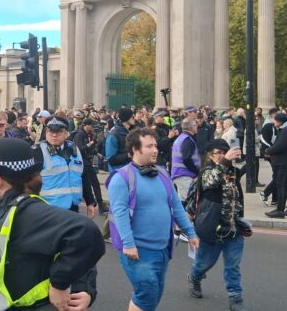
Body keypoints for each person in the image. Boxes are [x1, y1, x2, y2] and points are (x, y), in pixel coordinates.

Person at [0, 138, 105, 311]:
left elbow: (86, 234)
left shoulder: (27, 212)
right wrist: (83, 288)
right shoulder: (20, 208)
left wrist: (60, 284)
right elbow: (67, 248)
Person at [107, 128, 198, 311]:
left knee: (153, 296)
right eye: (149, 146)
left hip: (162, 248)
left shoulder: (162, 173)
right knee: (147, 295)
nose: (155, 150)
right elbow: (120, 214)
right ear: (135, 149)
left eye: (155, 145)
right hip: (138, 250)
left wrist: (190, 232)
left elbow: (176, 207)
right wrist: (128, 244)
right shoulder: (121, 178)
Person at [187, 139, 249, 311]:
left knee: (233, 266)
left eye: (224, 152)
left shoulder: (232, 172)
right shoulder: (206, 172)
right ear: (209, 155)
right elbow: (211, 181)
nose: (222, 155)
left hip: (233, 228)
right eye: (218, 153)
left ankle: (235, 298)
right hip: (212, 228)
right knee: (203, 264)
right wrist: (226, 160)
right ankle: (195, 277)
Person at [34, 116, 97, 215]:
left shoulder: (74, 149)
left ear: (66, 133)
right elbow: (29, 183)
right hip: (48, 209)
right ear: (46, 132)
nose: (54, 135)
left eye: (59, 132)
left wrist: (90, 202)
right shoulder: (38, 151)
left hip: (73, 207)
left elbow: (83, 176)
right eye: (50, 131)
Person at [264, 113, 287, 218]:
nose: (273, 122)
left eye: (274, 120)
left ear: (280, 121)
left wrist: (268, 150)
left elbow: (280, 146)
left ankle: (280, 210)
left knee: (282, 185)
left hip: (285, 162)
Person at [73, 118, 107, 215]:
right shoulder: (79, 135)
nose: (92, 127)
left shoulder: (89, 135)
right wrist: (90, 143)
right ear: (86, 125)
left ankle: (97, 204)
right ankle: (97, 204)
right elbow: (79, 149)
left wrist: (98, 154)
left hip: (88, 161)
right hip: (83, 162)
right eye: (91, 125)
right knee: (92, 183)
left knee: (92, 184)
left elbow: (90, 149)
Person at [171, 118, 201, 203]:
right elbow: (186, 158)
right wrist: (196, 171)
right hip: (184, 174)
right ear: (191, 127)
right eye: (195, 125)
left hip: (180, 174)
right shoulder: (187, 140)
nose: (197, 127)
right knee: (188, 201)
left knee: (183, 200)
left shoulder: (181, 138)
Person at [104, 108, 135, 172]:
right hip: (119, 171)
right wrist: (128, 155)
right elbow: (111, 159)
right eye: (132, 117)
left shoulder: (132, 131)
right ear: (126, 118)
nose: (134, 118)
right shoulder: (113, 134)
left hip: (131, 169)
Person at [259, 108, 279, 206]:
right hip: (270, 153)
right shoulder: (268, 126)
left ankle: (275, 199)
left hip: (274, 153)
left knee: (277, 175)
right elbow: (263, 140)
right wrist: (272, 149)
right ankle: (265, 193)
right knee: (278, 175)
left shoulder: (277, 127)